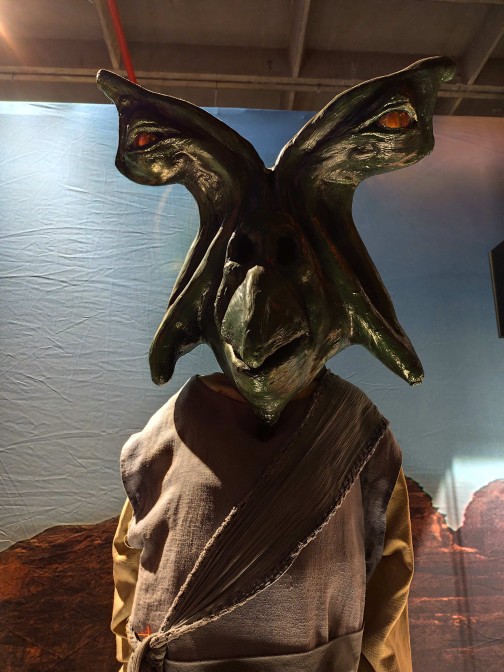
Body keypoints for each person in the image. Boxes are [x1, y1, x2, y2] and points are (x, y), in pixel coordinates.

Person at [97, 56, 454, 671]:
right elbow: (133, 571)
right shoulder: (161, 440)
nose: (260, 300)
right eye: (242, 259)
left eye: (288, 256)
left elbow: (387, 584)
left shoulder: (359, 438)